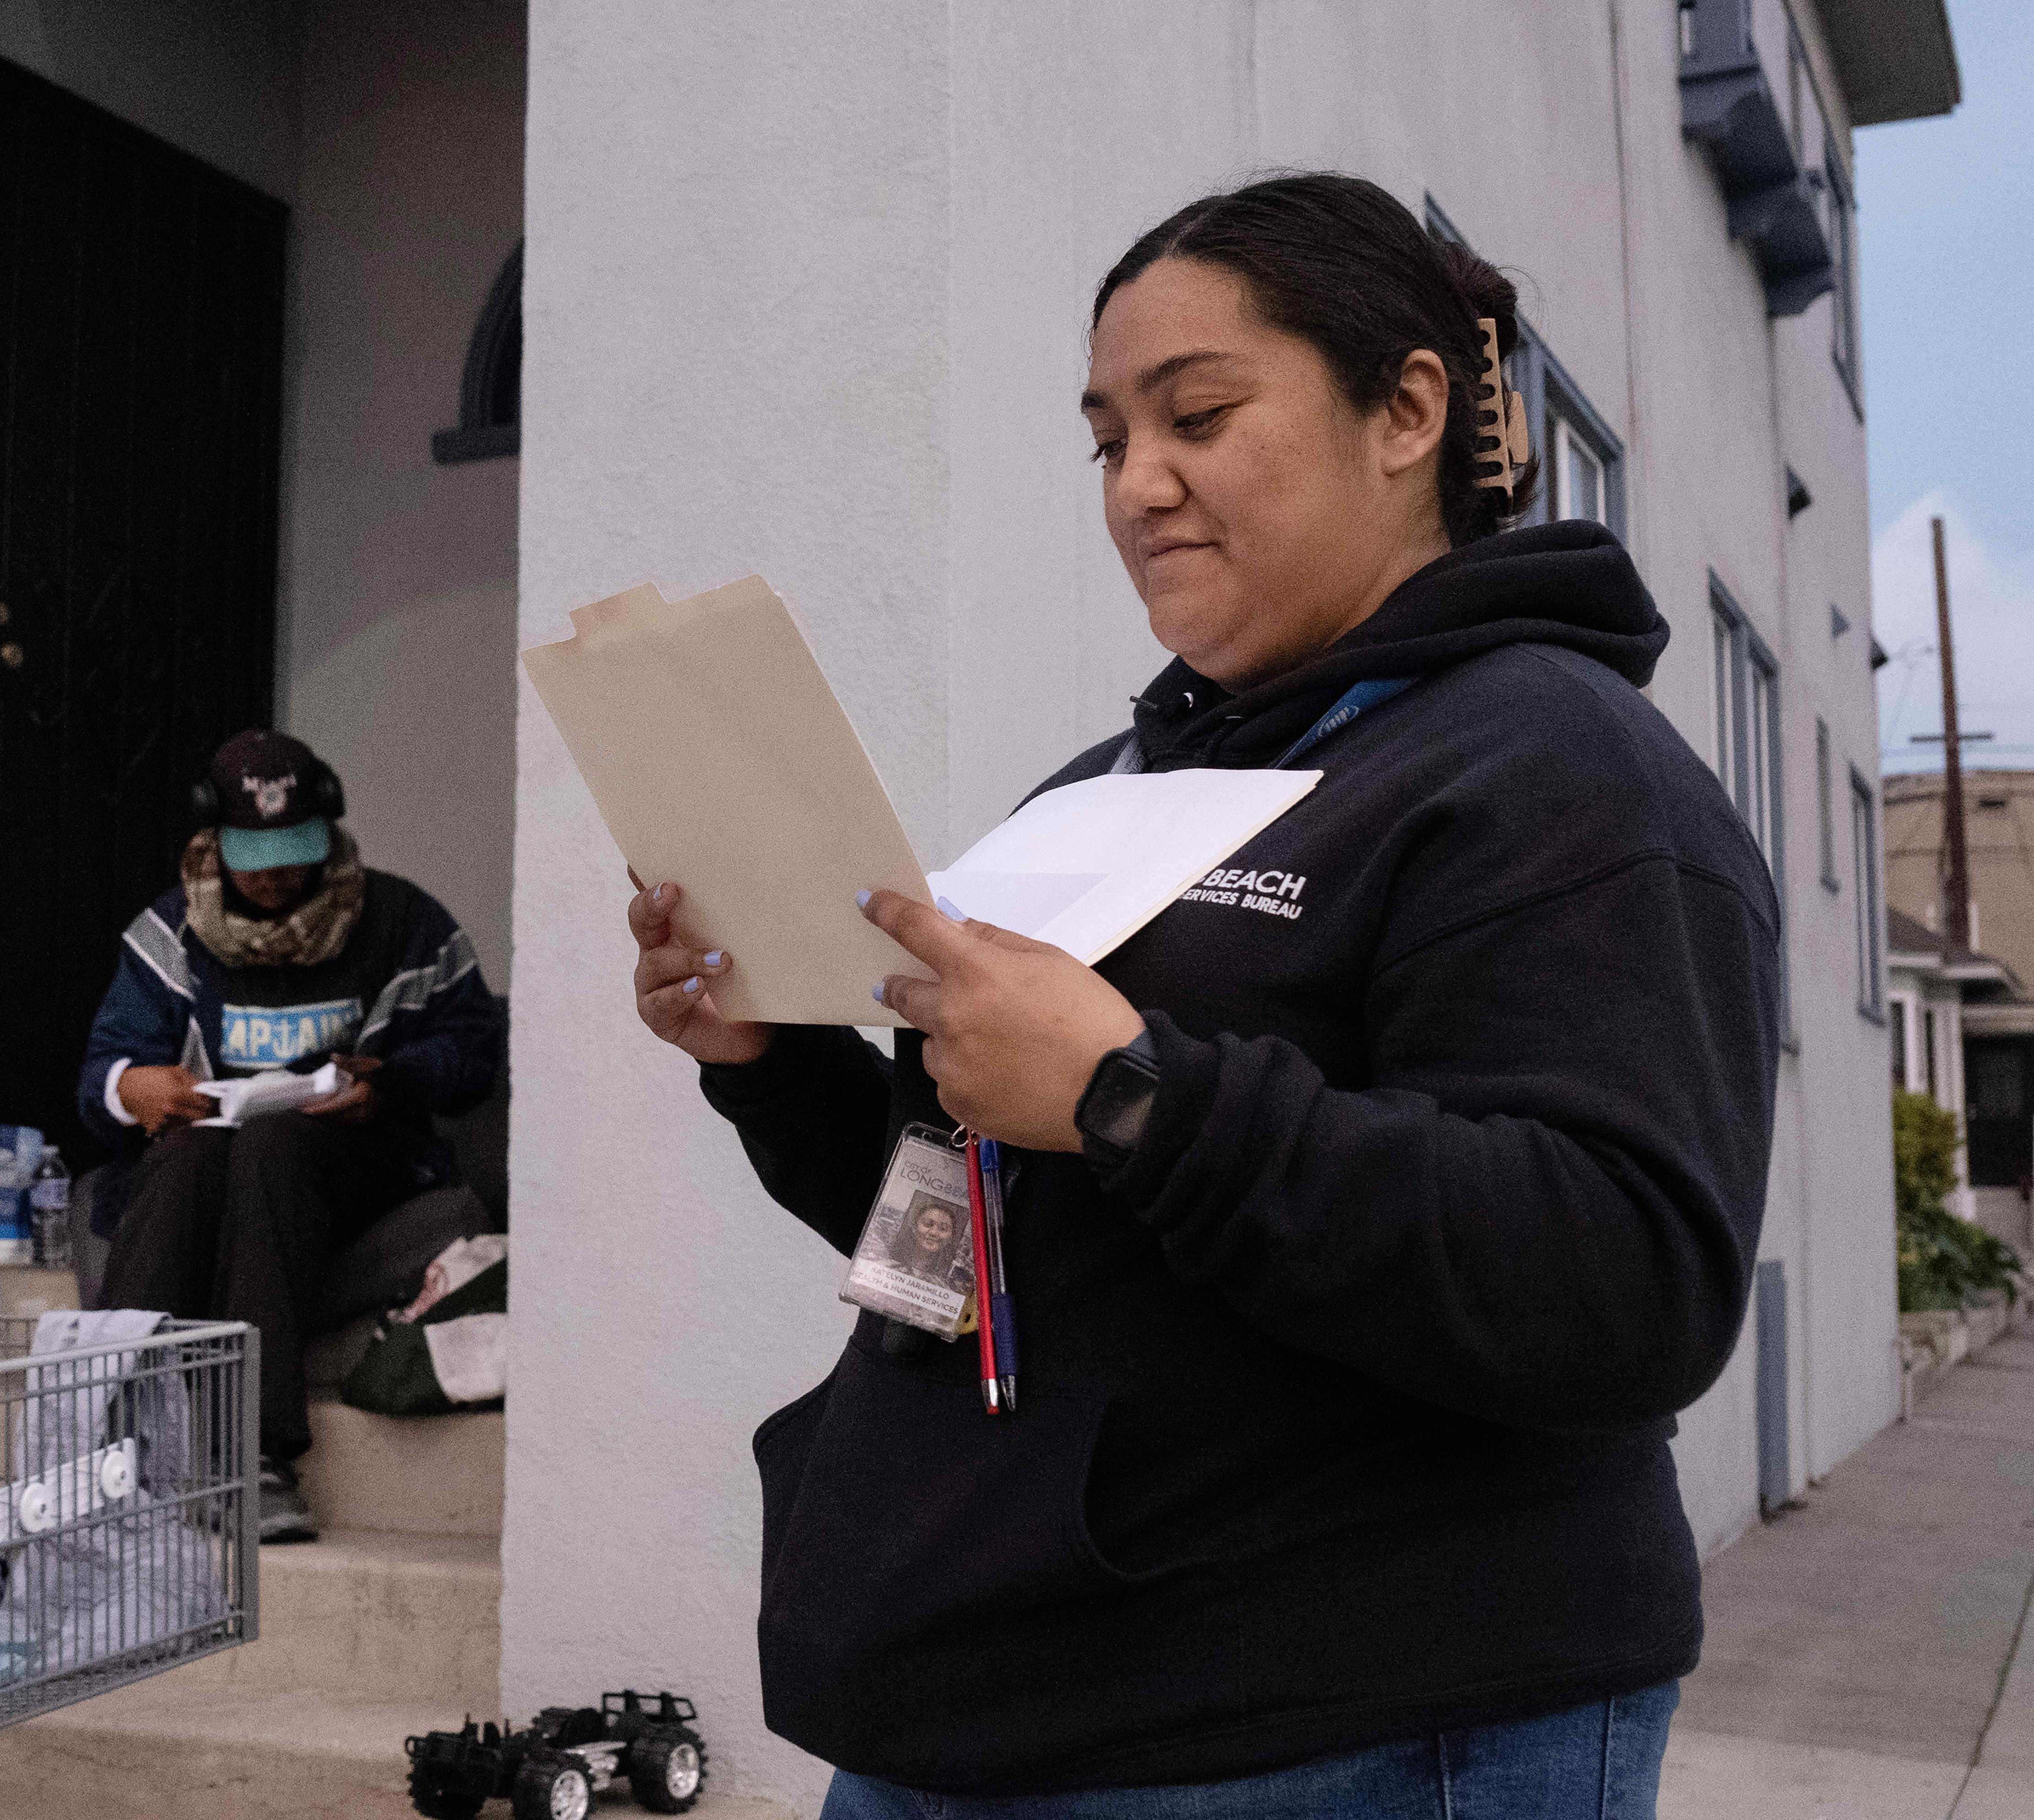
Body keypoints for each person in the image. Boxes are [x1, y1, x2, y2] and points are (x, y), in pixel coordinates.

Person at [624, 173, 1778, 1817]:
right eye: (1107, 440)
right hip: (976, 1689)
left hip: (1347, 1728)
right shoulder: (1108, 787)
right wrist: (775, 1064)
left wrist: (1131, 1092)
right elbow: (976, 1231)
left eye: (1200, 414)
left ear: (1410, 408)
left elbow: (1624, 1282)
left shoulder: (1558, 771)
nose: (1137, 485)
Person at [83, 729, 506, 1541]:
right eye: (252, 851)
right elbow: (101, 1077)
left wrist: (391, 1080)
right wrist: (130, 1087)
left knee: (272, 1146)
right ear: (211, 840)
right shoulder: (169, 934)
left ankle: (252, 1456)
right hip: (203, 1169)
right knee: (198, 1150)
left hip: (356, 1166)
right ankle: (112, 1432)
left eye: (293, 848)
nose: (274, 872)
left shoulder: (407, 923)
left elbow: (473, 1050)